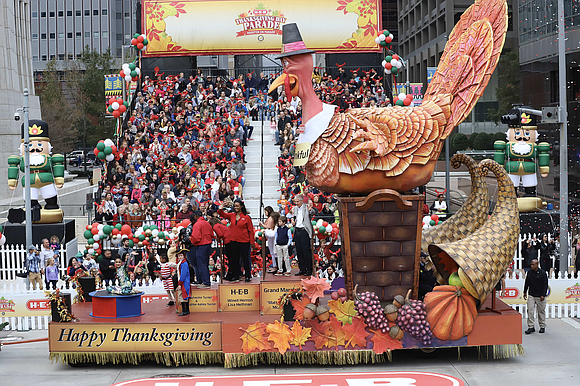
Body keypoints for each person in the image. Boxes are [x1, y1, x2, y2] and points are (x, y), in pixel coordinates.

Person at [218, 200, 254, 282]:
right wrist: (220, 209)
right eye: (235, 206)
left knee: (245, 259)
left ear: (241, 206)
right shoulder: (232, 215)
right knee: (235, 259)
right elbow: (223, 214)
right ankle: (236, 275)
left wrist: (252, 242)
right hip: (234, 241)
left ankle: (248, 275)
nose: (236, 207)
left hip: (244, 241)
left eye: (237, 206)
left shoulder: (246, 217)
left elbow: (251, 230)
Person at [523, 259, 549, 334]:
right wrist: (525, 292)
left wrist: (543, 295)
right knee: (530, 310)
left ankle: (542, 326)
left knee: (541, 311)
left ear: (537, 265)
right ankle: (531, 327)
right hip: (531, 294)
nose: (531, 266)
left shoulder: (542, 273)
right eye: (531, 264)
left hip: (540, 295)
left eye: (533, 265)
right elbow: (527, 283)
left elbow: (545, 285)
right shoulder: (529, 273)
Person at [291, 194, 314, 276]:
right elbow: (294, 218)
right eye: (295, 201)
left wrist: (310, 210)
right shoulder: (295, 209)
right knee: (299, 251)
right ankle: (302, 269)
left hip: (304, 230)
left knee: (306, 251)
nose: (296, 203)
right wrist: (293, 222)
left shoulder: (306, 207)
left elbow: (312, 211)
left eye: (297, 201)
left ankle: (309, 269)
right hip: (297, 230)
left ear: (301, 201)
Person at [190, 210, 213, 288]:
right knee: (205, 263)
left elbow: (196, 237)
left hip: (201, 245)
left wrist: (192, 241)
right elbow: (212, 234)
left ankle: (205, 282)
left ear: (196, 216)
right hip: (208, 244)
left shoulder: (197, 224)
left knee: (201, 264)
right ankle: (203, 280)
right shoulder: (207, 223)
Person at [176, 248, 191, 316]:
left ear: (183, 256)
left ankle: (184, 311)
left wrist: (180, 283)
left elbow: (183, 275)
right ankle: (187, 310)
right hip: (185, 281)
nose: (179, 257)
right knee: (185, 297)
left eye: (181, 255)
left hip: (184, 282)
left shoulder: (184, 263)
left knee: (182, 297)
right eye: (178, 256)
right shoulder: (182, 262)